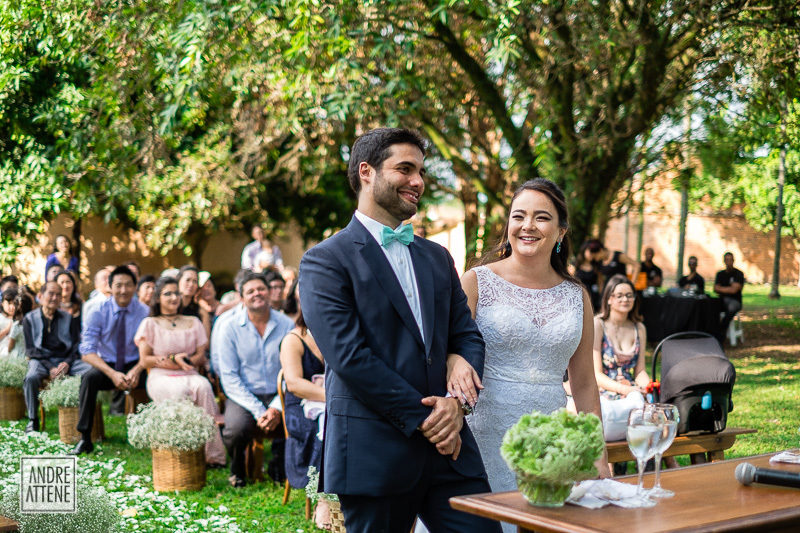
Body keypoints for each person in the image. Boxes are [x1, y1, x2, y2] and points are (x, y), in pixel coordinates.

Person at [299, 127, 502, 533]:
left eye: (421, 172)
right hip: (374, 450)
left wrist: (456, 405)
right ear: (367, 172)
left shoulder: (437, 257)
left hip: (450, 450)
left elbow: (466, 335)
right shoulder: (324, 261)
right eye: (405, 169)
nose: (418, 182)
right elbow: (350, 359)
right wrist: (430, 419)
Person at [453, 178, 610, 522]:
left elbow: (583, 383)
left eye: (541, 217)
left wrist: (598, 454)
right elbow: (451, 357)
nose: (527, 226)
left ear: (561, 232)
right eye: (518, 216)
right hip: (482, 434)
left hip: (548, 442)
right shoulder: (476, 282)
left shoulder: (577, 295)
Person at [135, 277, 226, 466]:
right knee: (179, 392)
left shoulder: (192, 321)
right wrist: (172, 360)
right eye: (168, 293)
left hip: (190, 372)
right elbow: (145, 360)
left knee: (203, 388)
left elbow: (201, 354)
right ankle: (182, 454)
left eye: (176, 292)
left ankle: (212, 455)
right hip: (161, 375)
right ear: (158, 298)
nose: (174, 297)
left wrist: (186, 362)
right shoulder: (150, 323)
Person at [216, 270, 294, 488]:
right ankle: (237, 468)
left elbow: (292, 370)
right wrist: (260, 410)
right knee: (235, 429)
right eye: (250, 291)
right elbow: (229, 377)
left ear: (269, 292)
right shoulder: (229, 328)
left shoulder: (286, 325)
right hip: (244, 393)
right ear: (241, 298)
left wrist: (277, 407)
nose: (257, 294)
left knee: (299, 420)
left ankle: (280, 465)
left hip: (281, 392)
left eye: (261, 289)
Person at [72, 266, 150, 455]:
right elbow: (86, 351)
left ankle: (155, 435)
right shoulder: (97, 310)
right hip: (107, 365)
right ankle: (85, 438)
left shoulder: (145, 311)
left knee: (158, 378)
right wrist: (112, 373)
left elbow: (152, 347)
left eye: (128, 285)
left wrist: (138, 369)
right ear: (110, 287)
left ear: (135, 287)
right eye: (118, 285)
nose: (123, 290)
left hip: (136, 362)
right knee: (88, 379)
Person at [278, 298, 328, 529]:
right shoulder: (293, 339)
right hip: (299, 408)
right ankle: (323, 501)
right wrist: (335, 399)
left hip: (329, 405)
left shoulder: (334, 334)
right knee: (324, 432)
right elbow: (295, 384)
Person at [22, 282, 90, 433]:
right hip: (40, 360)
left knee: (91, 372)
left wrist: (66, 363)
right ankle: (33, 420)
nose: (55, 297)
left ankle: (88, 419)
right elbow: (31, 350)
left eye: (58, 294)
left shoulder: (69, 317)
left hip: (65, 360)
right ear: (41, 296)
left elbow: (76, 345)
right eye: (51, 293)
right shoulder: (29, 319)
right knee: (31, 377)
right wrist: (50, 367)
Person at [593, 275, 650, 400]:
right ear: (609, 299)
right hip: (603, 390)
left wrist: (648, 388)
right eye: (619, 296)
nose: (625, 299)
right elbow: (595, 374)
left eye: (629, 295)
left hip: (631, 389)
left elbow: (640, 371)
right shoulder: (598, 324)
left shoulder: (639, 328)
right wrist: (625, 390)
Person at [714, 252, 745, 341]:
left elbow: (734, 290)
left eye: (730, 260)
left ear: (733, 261)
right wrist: (730, 288)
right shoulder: (720, 274)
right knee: (710, 306)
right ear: (724, 261)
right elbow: (716, 288)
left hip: (735, 301)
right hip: (722, 301)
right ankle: (712, 331)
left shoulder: (738, 274)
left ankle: (721, 332)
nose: (729, 262)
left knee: (730, 309)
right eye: (727, 260)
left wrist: (722, 289)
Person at [177, 265, 211, 339]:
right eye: (187, 280)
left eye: (194, 281)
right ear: (178, 282)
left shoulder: (202, 312)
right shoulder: (169, 309)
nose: (191, 284)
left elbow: (206, 342)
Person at [573, 240, 604, 311]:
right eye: (590, 251)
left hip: (593, 297)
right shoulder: (575, 265)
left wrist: (601, 298)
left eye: (594, 252)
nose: (592, 254)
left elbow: (600, 283)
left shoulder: (596, 266)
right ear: (584, 250)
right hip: (578, 296)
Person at [0, 289, 31, 359]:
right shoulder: (1, 318)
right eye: (8, 303)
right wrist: (6, 330)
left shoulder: (21, 321)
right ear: (2, 303)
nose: (11, 307)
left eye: (14, 304)